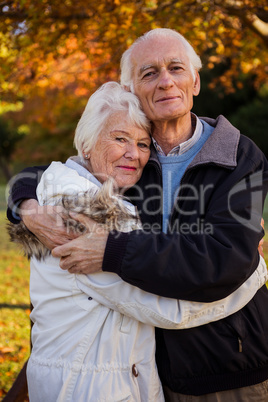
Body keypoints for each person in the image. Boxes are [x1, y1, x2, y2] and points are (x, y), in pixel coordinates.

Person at [7, 29, 268, 401]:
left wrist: (113, 250)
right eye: (149, 73)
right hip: (149, 369)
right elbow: (55, 175)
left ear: (195, 81)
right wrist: (26, 206)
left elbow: (225, 260)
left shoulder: (239, 154)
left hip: (231, 367)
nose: (165, 81)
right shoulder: (128, 164)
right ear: (133, 88)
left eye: (176, 68)